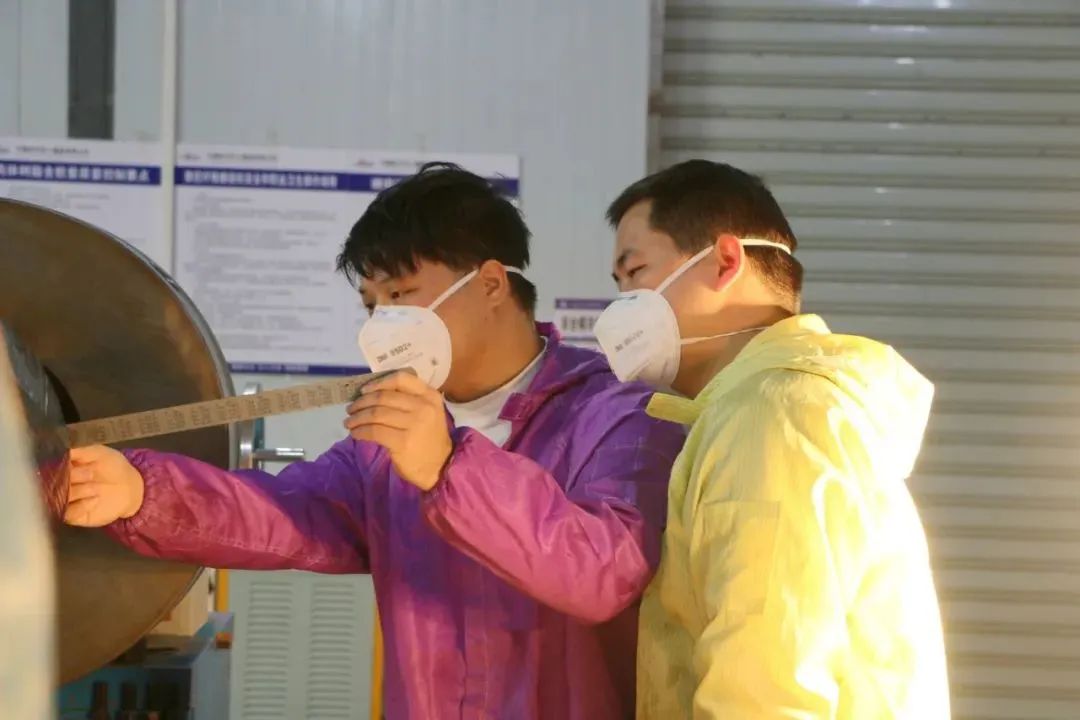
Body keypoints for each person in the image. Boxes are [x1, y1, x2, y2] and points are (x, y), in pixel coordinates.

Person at [64, 163, 684, 719]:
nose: (385, 321)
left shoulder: (619, 413)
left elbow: (606, 575)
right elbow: (287, 513)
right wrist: (141, 493)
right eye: (372, 303)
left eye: (401, 294)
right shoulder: (392, 431)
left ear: (492, 284)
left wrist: (448, 468)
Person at [596, 160, 950, 718]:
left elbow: (765, 690)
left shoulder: (772, 415)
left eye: (635, 272)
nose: (622, 305)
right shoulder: (772, 407)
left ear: (725, 260)